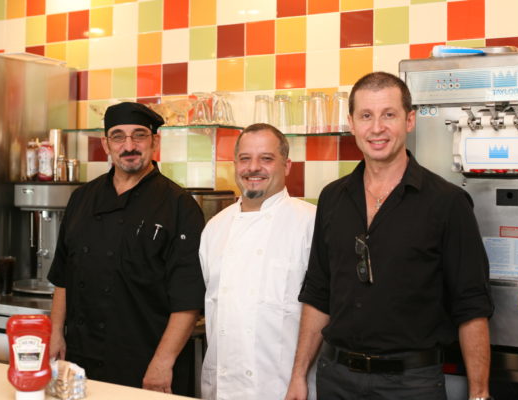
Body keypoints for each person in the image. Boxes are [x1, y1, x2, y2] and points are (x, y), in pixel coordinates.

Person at [285, 72, 494, 400]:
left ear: (409, 120)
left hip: (413, 384)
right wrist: (298, 375)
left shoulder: (447, 203)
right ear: (352, 123)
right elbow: (318, 293)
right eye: (366, 116)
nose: (377, 127)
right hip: (336, 379)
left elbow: (471, 306)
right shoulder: (332, 199)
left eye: (389, 114)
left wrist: (479, 394)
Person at [47, 102, 205, 395]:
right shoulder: (81, 199)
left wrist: (162, 362)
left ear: (155, 142)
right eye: (118, 136)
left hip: (146, 362)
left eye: (139, 135)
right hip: (81, 359)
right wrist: (55, 333)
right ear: (106, 144)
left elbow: (188, 300)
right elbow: (63, 277)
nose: (128, 145)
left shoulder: (179, 206)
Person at [200, 123, 317, 400]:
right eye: (245, 158)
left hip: (284, 387)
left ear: (286, 166)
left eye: (266, 158)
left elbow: (323, 308)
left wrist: (299, 377)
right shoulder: (215, 228)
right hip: (222, 386)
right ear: (235, 164)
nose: (254, 168)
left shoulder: (311, 223)